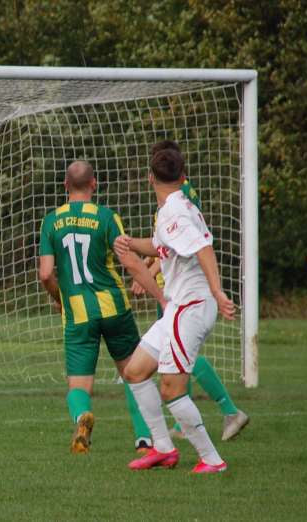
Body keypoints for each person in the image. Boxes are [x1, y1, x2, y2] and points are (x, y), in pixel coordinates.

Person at [115, 148, 236, 474]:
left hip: (191, 307)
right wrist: (128, 242)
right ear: (183, 178)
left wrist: (217, 291)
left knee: (171, 388)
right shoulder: (175, 208)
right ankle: (164, 449)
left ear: (150, 177)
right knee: (136, 371)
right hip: (178, 309)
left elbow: (202, 247)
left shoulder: (175, 214)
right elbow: (160, 247)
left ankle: (212, 460)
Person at [38, 160, 167, 455]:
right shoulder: (107, 217)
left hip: (78, 314)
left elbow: (45, 274)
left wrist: (60, 300)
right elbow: (130, 260)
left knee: (78, 386)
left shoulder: (50, 221)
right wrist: (160, 296)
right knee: (134, 374)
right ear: (94, 184)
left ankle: (82, 417)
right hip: (114, 309)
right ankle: (145, 440)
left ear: (65, 186)